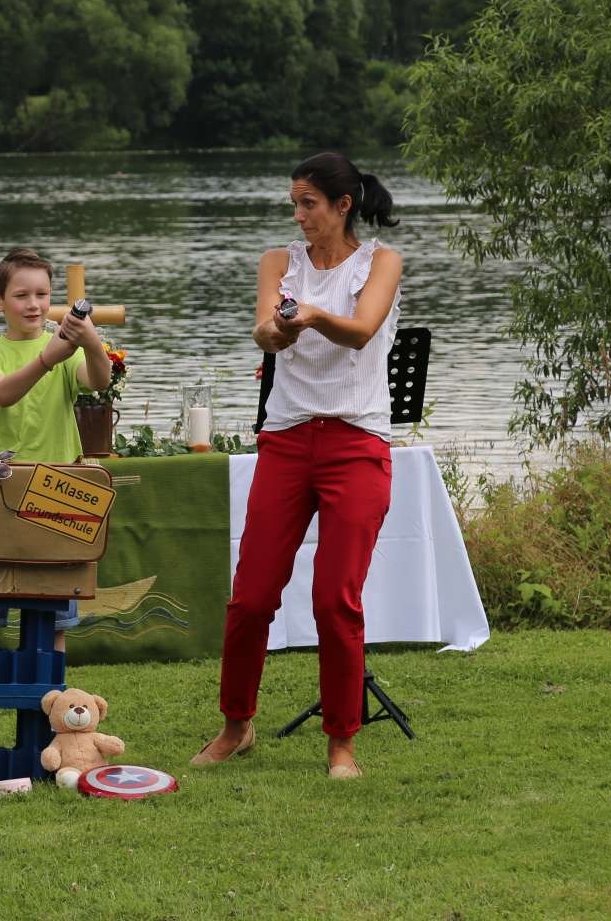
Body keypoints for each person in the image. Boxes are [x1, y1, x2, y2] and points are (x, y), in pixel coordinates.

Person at [191, 152, 402, 779]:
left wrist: (309, 314)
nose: (298, 214)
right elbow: (265, 333)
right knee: (251, 597)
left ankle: (342, 743)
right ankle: (237, 726)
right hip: (285, 440)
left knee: (335, 599)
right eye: (294, 202)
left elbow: (362, 331)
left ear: (343, 206)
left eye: (309, 202)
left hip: (357, 443)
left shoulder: (381, 262)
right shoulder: (278, 263)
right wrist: (279, 330)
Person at [0, 247, 113, 762]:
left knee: (53, 612)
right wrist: (47, 358)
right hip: (1, 488)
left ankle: (51, 727)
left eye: (43, 295)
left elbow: (98, 381)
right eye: (22, 295)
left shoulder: (68, 348)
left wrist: (89, 338)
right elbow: (4, 393)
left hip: (60, 486)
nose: (34, 305)